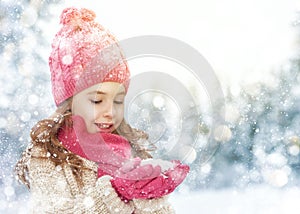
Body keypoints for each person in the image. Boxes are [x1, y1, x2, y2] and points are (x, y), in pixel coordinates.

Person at [15, 7, 189, 213]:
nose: (110, 112)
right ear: (68, 103)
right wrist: (115, 193)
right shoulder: (48, 156)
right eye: (97, 100)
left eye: (117, 101)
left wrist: (149, 199)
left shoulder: (128, 153)